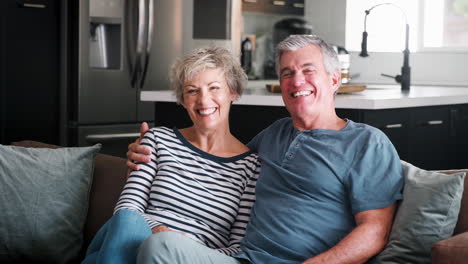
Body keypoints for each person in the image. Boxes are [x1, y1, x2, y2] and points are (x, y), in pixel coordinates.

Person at [128, 35, 403, 264]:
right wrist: (147, 152)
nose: (297, 82)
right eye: (287, 73)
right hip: (240, 258)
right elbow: (220, 165)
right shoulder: (274, 134)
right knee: (160, 247)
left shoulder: (367, 143)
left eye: (308, 70)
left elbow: (374, 231)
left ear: (333, 80)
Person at [82, 46, 261, 264]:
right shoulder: (158, 139)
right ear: (183, 99)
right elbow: (128, 207)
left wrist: (181, 246)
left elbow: (237, 248)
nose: (204, 100)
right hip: (135, 242)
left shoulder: (251, 166)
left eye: (214, 88)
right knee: (128, 220)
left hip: (190, 257)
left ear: (233, 92)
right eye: (192, 91)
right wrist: (158, 229)